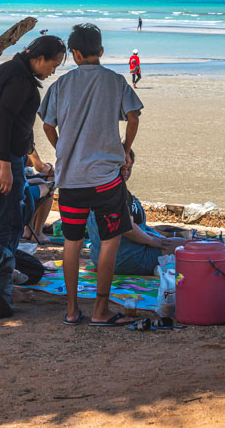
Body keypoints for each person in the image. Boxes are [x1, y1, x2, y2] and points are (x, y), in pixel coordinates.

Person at [39, 23, 143, 327]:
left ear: (74, 54)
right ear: (100, 52)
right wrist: (126, 149)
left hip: (71, 180)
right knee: (110, 240)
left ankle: (72, 311)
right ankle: (100, 310)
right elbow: (134, 116)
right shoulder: (115, 81)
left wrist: (62, 149)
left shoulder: (61, 85)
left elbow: (47, 123)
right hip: (105, 181)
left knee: (72, 243)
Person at [0, 35, 65, 253]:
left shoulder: (11, 68)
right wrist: (4, 166)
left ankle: (6, 266)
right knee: (9, 217)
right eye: (53, 65)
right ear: (40, 58)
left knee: (21, 208)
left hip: (4, 154)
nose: (53, 72)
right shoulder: (20, 79)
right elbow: (3, 120)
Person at [85, 149, 187, 274]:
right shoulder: (116, 193)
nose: (126, 173)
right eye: (122, 169)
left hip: (100, 258)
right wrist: (153, 241)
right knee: (186, 247)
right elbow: (128, 229)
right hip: (125, 259)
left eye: (129, 169)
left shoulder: (95, 188)